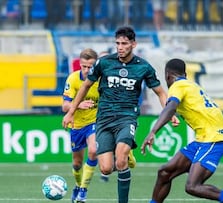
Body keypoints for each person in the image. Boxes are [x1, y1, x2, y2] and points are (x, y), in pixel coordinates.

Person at [62, 26, 170, 203]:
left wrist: (169, 111)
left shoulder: (143, 67)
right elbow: (85, 86)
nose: (120, 47)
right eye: (118, 43)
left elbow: (160, 92)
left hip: (127, 118)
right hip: (104, 119)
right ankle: (124, 156)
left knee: (120, 162)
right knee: (105, 168)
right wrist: (71, 112)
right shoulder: (104, 63)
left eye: (124, 44)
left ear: (133, 44)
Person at [141, 58, 223, 203]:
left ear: (168, 76)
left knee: (192, 186)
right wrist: (173, 114)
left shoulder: (177, 85)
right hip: (203, 139)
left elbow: (171, 107)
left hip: (213, 139)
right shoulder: (191, 85)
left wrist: (153, 131)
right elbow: (182, 108)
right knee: (165, 172)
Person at [62, 48, 99, 203]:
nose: (86, 70)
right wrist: (78, 105)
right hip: (77, 125)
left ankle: (83, 190)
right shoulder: (73, 79)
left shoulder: (101, 80)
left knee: (93, 150)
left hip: (95, 122)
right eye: (83, 66)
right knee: (77, 163)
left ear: (95, 65)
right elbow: (64, 106)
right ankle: (78, 185)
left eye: (90, 67)